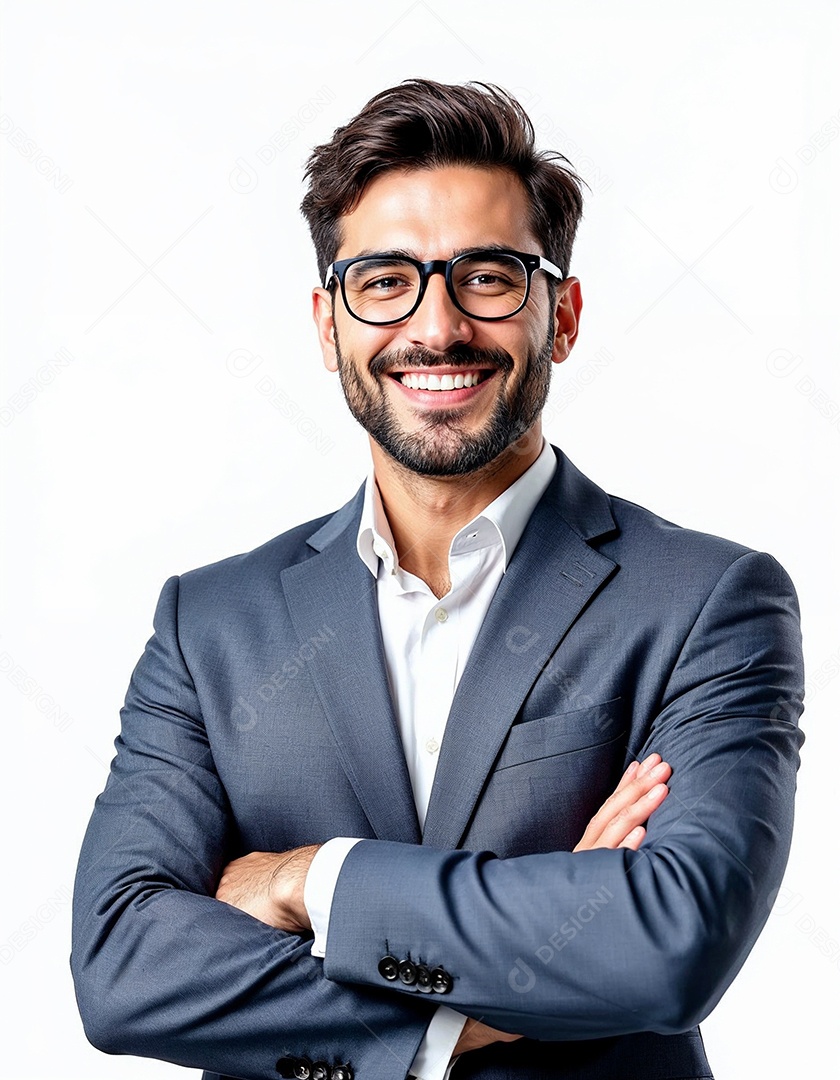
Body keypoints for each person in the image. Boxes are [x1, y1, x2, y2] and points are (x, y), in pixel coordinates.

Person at [71, 80, 805, 1080]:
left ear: (565, 313)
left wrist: (308, 879)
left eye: (489, 277)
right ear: (329, 325)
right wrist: (474, 1009)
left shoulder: (707, 602)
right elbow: (123, 967)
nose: (438, 326)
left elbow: (672, 943)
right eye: (385, 280)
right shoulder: (212, 624)